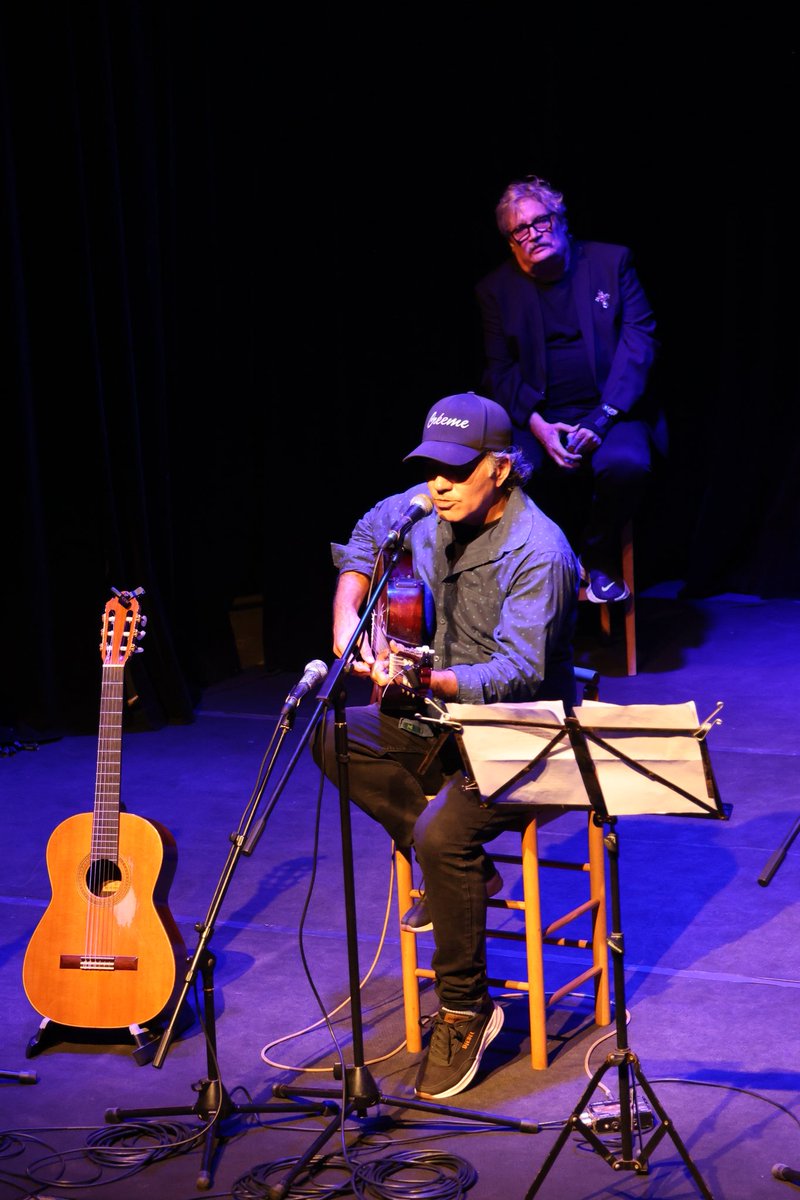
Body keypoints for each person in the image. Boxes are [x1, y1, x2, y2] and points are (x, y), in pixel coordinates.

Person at [312, 391, 579, 1100]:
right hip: (444, 714)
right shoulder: (426, 506)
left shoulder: (539, 550)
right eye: (432, 466)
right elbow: (368, 537)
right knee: (331, 733)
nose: (438, 483)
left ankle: (466, 1008)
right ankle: (459, 871)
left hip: (526, 731)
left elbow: (518, 670)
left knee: (443, 835)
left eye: (456, 471)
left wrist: (428, 676)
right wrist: (347, 617)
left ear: (501, 467)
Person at [475, 175, 666, 603]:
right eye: (519, 230)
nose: (532, 235)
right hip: (540, 415)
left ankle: (598, 556)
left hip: (613, 409)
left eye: (540, 222)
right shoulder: (495, 290)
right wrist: (538, 424)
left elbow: (641, 340)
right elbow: (499, 370)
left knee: (628, 465)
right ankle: (548, 571)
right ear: (510, 243)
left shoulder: (611, 263)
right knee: (511, 474)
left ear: (560, 221)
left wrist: (603, 417)